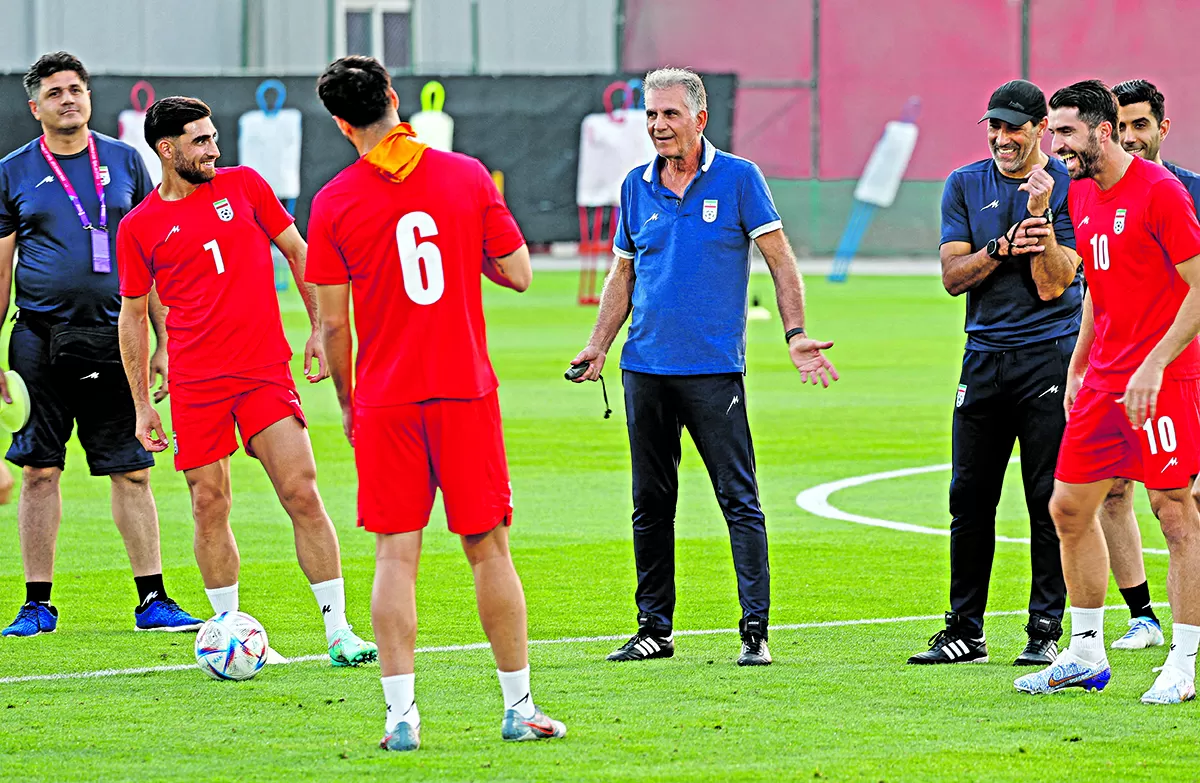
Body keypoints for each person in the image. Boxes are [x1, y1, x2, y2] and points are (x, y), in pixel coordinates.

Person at [306, 55, 566, 752]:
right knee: (488, 549)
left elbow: (333, 326)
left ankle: (401, 717)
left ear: (340, 123)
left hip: (386, 398)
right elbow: (517, 272)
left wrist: (348, 405)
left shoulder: (333, 201)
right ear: (394, 98)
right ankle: (519, 704)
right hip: (463, 389)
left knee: (396, 553)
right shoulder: (465, 175)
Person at [570, 67, 837, 667]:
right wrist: (598, 345)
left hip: (714, 371)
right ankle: (652, 630)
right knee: (650, 503)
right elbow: (623, 272)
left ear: (700, 118)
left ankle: (754, 631)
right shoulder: (636, 186)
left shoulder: (740, 179)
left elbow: (781, 261)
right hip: (645, 370)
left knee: (738, 499)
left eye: (670, 114)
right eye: (651, 114)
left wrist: (794, 335)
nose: (659, 125)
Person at [115, 96, 377, 667]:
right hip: (195, 384)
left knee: (301, 491)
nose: (214, 149)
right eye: (201, 140)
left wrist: (317, 327)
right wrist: (142, 405)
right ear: (167, 149)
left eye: (213, 137)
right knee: (209, 504)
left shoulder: (246, 186)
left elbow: (298, 251)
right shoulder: (139, 227)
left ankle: (340, 633)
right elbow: (132, 318)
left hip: (263, 372)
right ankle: (227, 633)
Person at [0, 52, 201, 636]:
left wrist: (165, 340)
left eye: (78, 90)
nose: (70, 99)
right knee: (38, 471)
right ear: (35, 106)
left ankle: (154, 600)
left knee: (133, 471)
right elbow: (1, 271)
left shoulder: (126, 163)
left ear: (89, 97)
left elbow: (153, 257)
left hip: (119, 337)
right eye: (57, 92)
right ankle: (37, 604)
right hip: (38, 339)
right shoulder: (11, 172)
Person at [1015, 80, 1200, 705]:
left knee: (1174, 512)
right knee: (1069, 509)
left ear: (1103, 129)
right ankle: (1087, 653)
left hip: (1164, 378)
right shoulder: (1082, 194)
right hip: (1103, 379)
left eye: (1064, 131)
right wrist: (1078, 365)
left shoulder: (1161, 192)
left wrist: (1155, 363)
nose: (1053, 143)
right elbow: (1099, 285)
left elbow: (1199, 287)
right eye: (1051, 131)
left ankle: (1182, 661)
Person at [911, 80, 1081, 667]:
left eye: (1014, 128)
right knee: (968, 496)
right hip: (982, 356)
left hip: (1046, 356)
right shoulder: (964, 183)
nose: (1002, 139)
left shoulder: (1068, 187)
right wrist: (1002, 248)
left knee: (1045, 499)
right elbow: (953, 276)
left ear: (1039, 129)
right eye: (994, 127)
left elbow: (1053, 283)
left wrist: (1039, 218)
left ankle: (1044, 631)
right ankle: (965, 629)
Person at [1089, 79, 1200, 651]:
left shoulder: (1185, 192)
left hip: (1185, 371)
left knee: (1180, 504)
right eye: (1122, 125)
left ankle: (1188, 629)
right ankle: (1143, 616)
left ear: (1163, 127)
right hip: (1125, 370)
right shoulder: (1096, 191)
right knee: (1111, 492)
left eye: (1141, 125)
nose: (1131, 137)